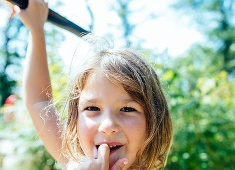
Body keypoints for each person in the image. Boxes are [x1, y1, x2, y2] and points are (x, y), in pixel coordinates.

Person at [7, 0, 173, 169]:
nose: (108, 126)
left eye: (128, 109)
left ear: (153, 121)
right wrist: (36, 29)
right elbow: (39, 101)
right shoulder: (75, 164)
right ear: (74, 121)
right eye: (92, 108)